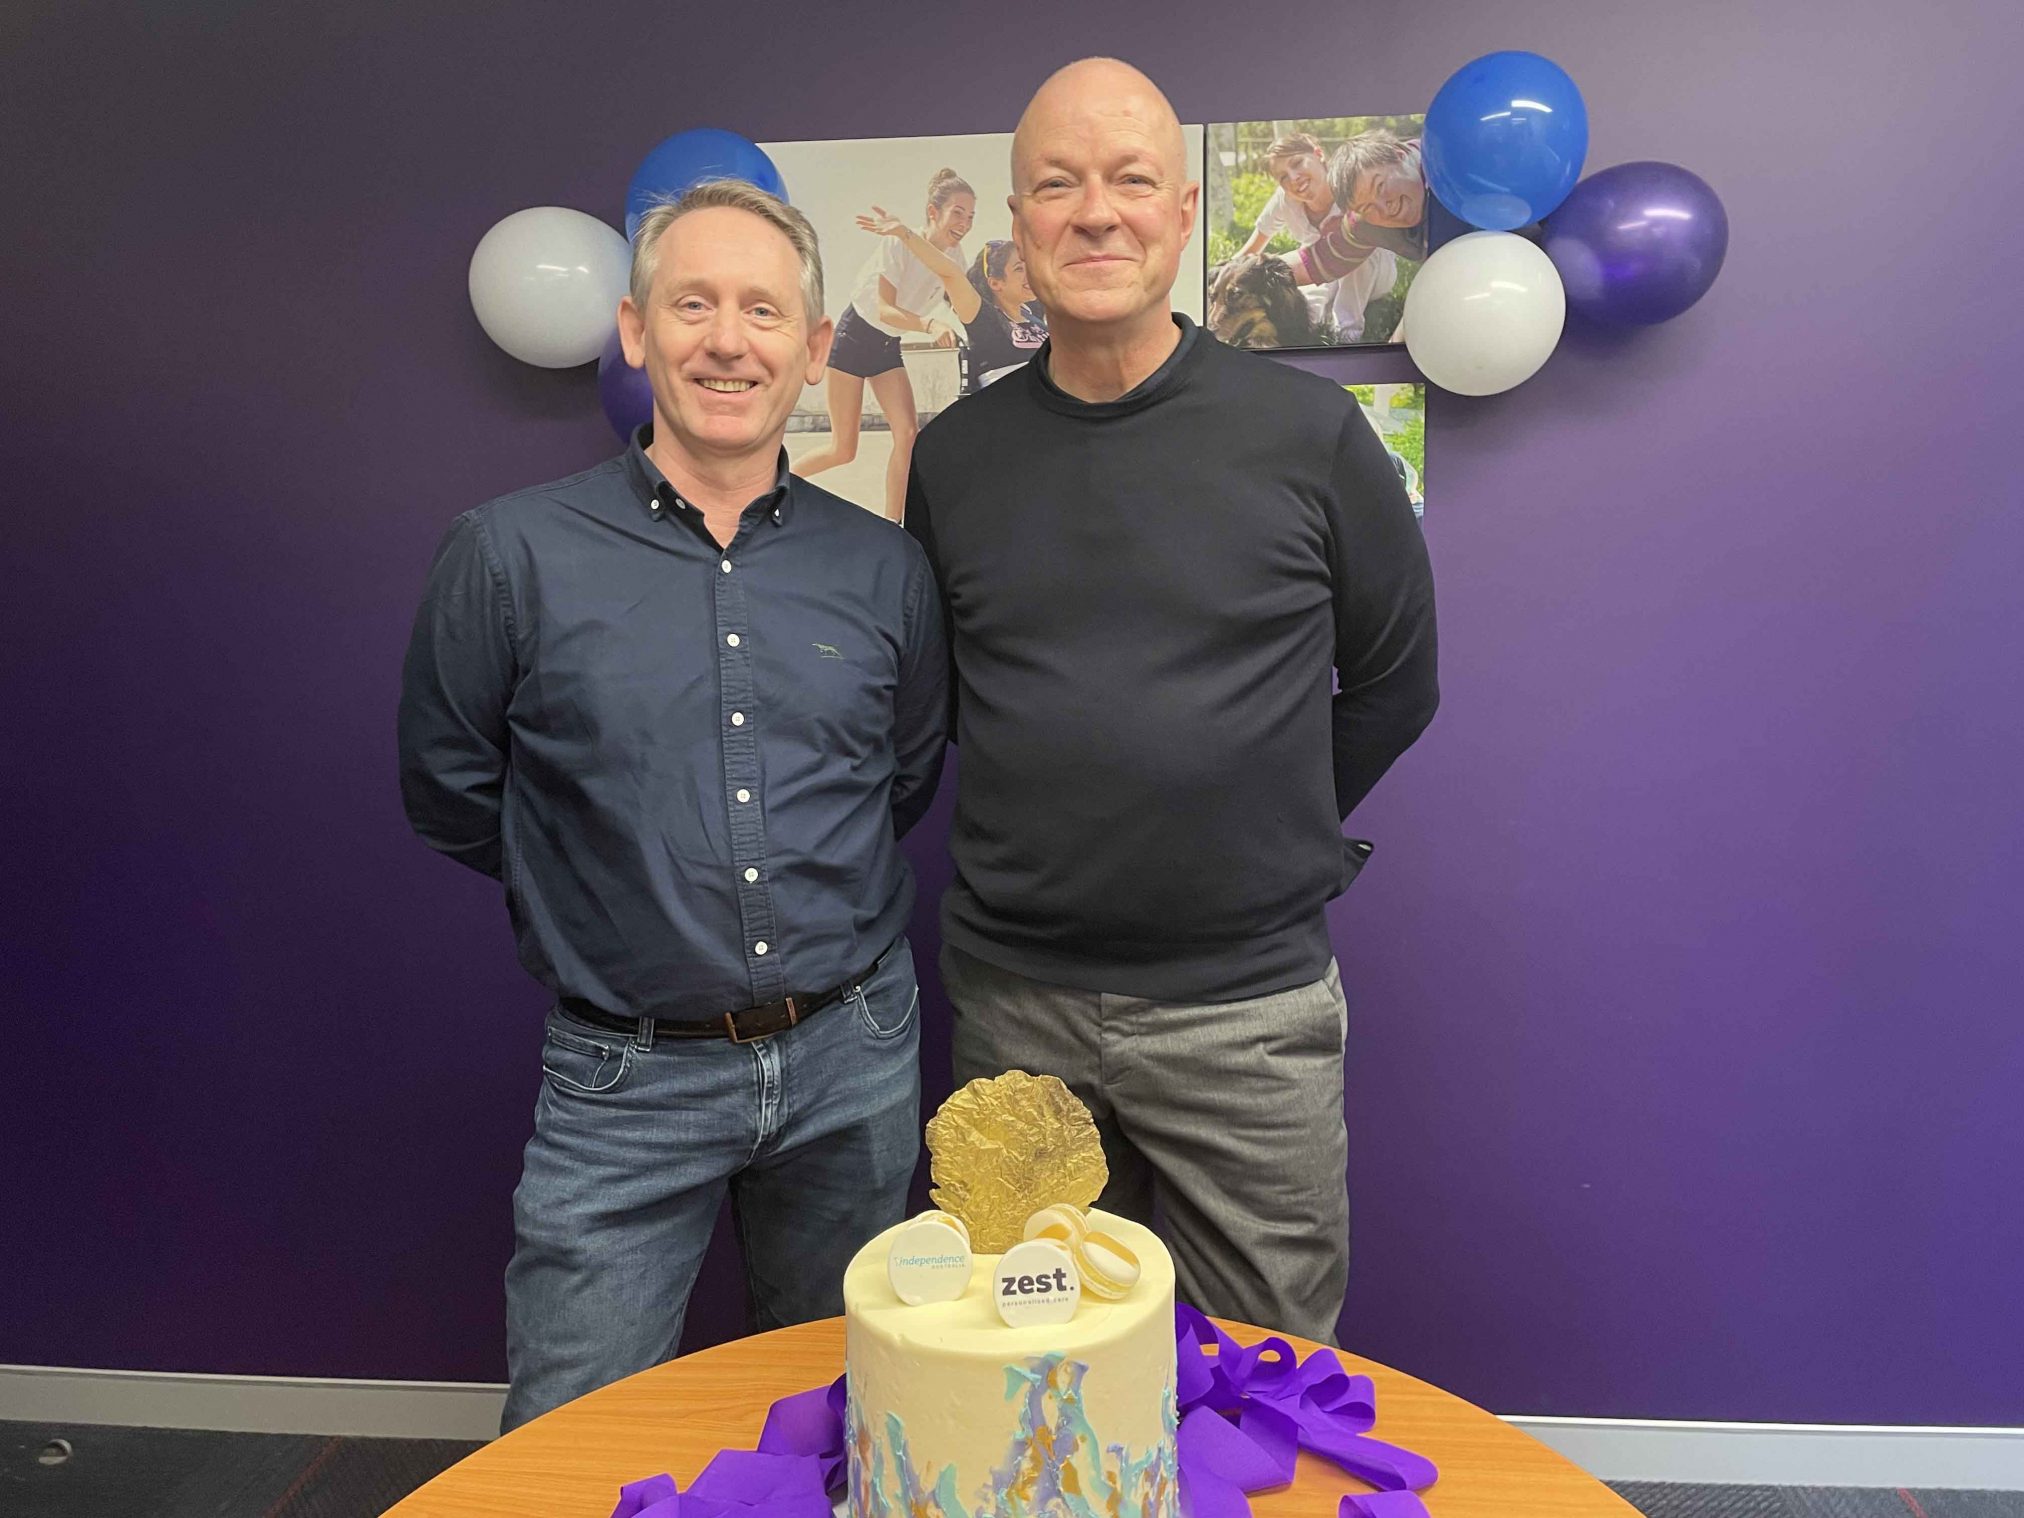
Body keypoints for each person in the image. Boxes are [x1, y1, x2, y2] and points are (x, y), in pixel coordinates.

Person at [903, 59, 1438, 1347]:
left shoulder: (1308, 437)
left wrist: (1253, 816)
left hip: (1246, 1017)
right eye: (1057, 184)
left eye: (1130, 179)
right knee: (1019, 1368)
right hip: (1014, 1009)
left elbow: (1395, 683)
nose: (1095, 212)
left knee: (1267, 1382)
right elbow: (960, 695)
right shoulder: (956, 459)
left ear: (1182, 209)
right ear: (1018, 226)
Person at [398, 179, 947, 1430]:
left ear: (813, 349)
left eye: (763, 311)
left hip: (851, 1065)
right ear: (635, 331)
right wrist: (609, 879)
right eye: (691, 303)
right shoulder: (507, 552)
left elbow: (899, 780)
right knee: (568, 1439)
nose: (727, 340)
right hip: (624, 1080)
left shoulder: (883, 569)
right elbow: (448, 789)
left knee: (849, 1417)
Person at [795, 168, 982, 518]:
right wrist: (928, 323)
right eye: (957, 212)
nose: (965, 223)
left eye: (971, 216)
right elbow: (884, 309)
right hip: (854, 338)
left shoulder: (954, 261)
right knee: (843, 449)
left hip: (887, 346)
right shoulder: (898, 243)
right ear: (932, 212)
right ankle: (779, 486)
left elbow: (964, 304)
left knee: (908, 433)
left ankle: (894, 522)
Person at [1237, 131, 1398, 344]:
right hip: (1321, 270)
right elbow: (1252, 249)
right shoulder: (1286, 201)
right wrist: (1223, 278)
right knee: (1304, 298)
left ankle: (1347, 333)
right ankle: (1309, 329)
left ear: (1319, 154)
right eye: (1283, 177)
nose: (1293, 178)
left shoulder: (1348, 184)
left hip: (1373, 270)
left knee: (1357, 248)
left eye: (1297, 163)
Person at [1278, 129, 1428, 342]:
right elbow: (1319, 260)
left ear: (1400, 156)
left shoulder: (1447, 160)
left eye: (1380, 186)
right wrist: (1250, 269)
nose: (1385, 209)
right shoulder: (1366, 224)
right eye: (1367, 207)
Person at [958, 239, 1048, 393]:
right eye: (1019, 269)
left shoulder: (1033, 312)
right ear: (995, 284)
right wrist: (904, 232)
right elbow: (948, 274)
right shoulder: (984, 319)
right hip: (1008, 407)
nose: (1029, 274)